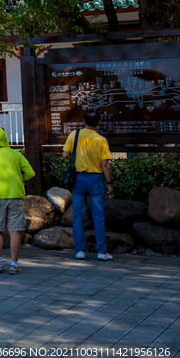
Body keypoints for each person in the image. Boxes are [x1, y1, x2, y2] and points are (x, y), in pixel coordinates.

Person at [0, 127, 35, 274]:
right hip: (15, 195)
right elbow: (30, 172)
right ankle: (14, 265)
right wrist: (18, 179)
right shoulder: (15, 154)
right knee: (14, 231)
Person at [63, 108, 114, 261]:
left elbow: (65, 154)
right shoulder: (101, 140)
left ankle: (80, 251)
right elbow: (105, 164)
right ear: (99, 122)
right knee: (98, 215)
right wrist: (109, 183)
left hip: (78, 178)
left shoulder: (74, 134)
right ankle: (101, 251)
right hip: (95, 178)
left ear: (83, 122)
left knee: (78, 215)